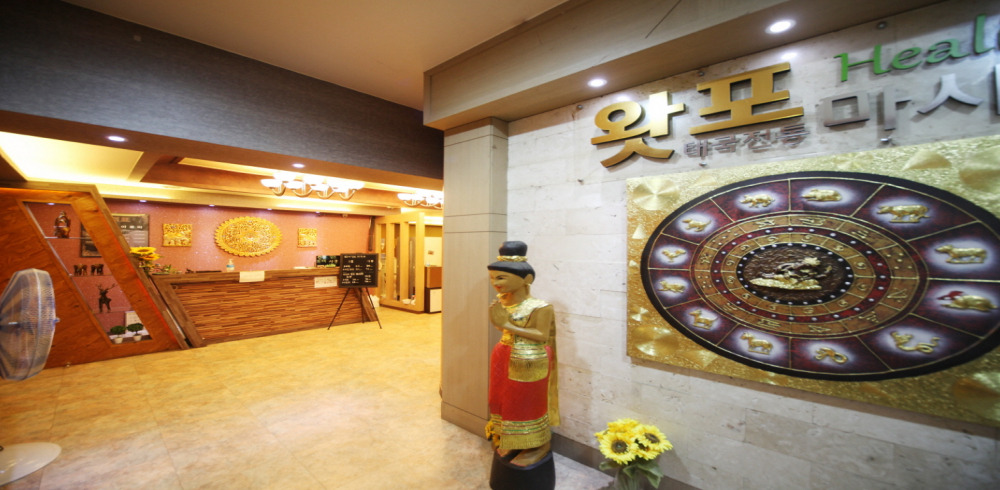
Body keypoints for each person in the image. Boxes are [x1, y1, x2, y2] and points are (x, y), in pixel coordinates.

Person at [486, 241, 559, 467]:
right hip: (503, 353)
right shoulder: (503, 301)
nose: (495, 283)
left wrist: (506, 324)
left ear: (526, 279)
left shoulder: (541, 307)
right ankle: (512, 439)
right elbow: (503, 327)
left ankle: (537, 444)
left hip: (530, 358)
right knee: (502, 399)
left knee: (526, 403)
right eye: (492, 278)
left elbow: (541, 335)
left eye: (501, 278)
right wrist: (503, 325)